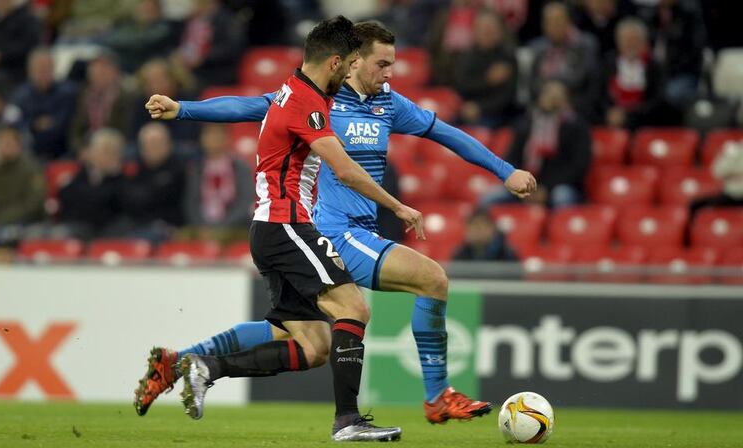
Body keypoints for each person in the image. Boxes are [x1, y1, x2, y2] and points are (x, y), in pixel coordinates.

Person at [140, 21, 536, 424]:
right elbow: (245, 106)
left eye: (393, 64)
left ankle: (180, 362)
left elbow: (447, 134)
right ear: (353, 60)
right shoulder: (316, 99)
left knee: (297, 337)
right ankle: (435, 397)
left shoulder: (388, 103)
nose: (389, 73)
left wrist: (504, 170)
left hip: (347, 230)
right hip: (331, 230)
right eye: (381, 63)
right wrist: (184, 109)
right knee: (430, 279)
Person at [141, 16, 426, 442]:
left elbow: (241, 105)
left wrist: (183, 109)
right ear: (333, 63)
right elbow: (346, 171)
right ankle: (347, 421)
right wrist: (399, 207)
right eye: (348, 64)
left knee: (312, 346)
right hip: (286, 223)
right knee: (354, 309)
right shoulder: (306, 104)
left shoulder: (292, 90)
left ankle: (205, 367)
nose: (350, 73)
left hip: (273, 227)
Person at [480, 79, 590, 210]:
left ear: (566, 99)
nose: (551, 98)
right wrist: (523, 185)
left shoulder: (576, 126)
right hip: (525, 184)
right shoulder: (527, 123)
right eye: (548, 93)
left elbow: (578, 166)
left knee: (562, 197)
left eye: (557, 95)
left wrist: (545, 188)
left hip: (558, 185)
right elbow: (512, 157)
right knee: (489, 197)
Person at [183, 123, 253, 239]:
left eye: (218, 134)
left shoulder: (240, 167)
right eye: (209, 134)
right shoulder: (195, 168)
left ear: (227, 138)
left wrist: (222, 227)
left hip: (234, 229)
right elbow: (190, 201)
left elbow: (244, 202)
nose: (214, 138)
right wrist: (201, 226)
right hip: (201, 229)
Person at [11, 47, 79, 160]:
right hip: (27, 150)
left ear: (54, 69)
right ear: (30, 70)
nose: (43, 72)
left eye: (46, 68)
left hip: (61, 151)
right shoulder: (20, 95)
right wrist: (33, 125)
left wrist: (43, 126)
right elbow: (13, 121)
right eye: (39, 68)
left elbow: (62, 124)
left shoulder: (68, 93)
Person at [452, 210, 517, 261]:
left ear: (492, 229)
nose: (478, 230)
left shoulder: (506, 253)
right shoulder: (460, 254)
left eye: (483, 226)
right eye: (475, 225)